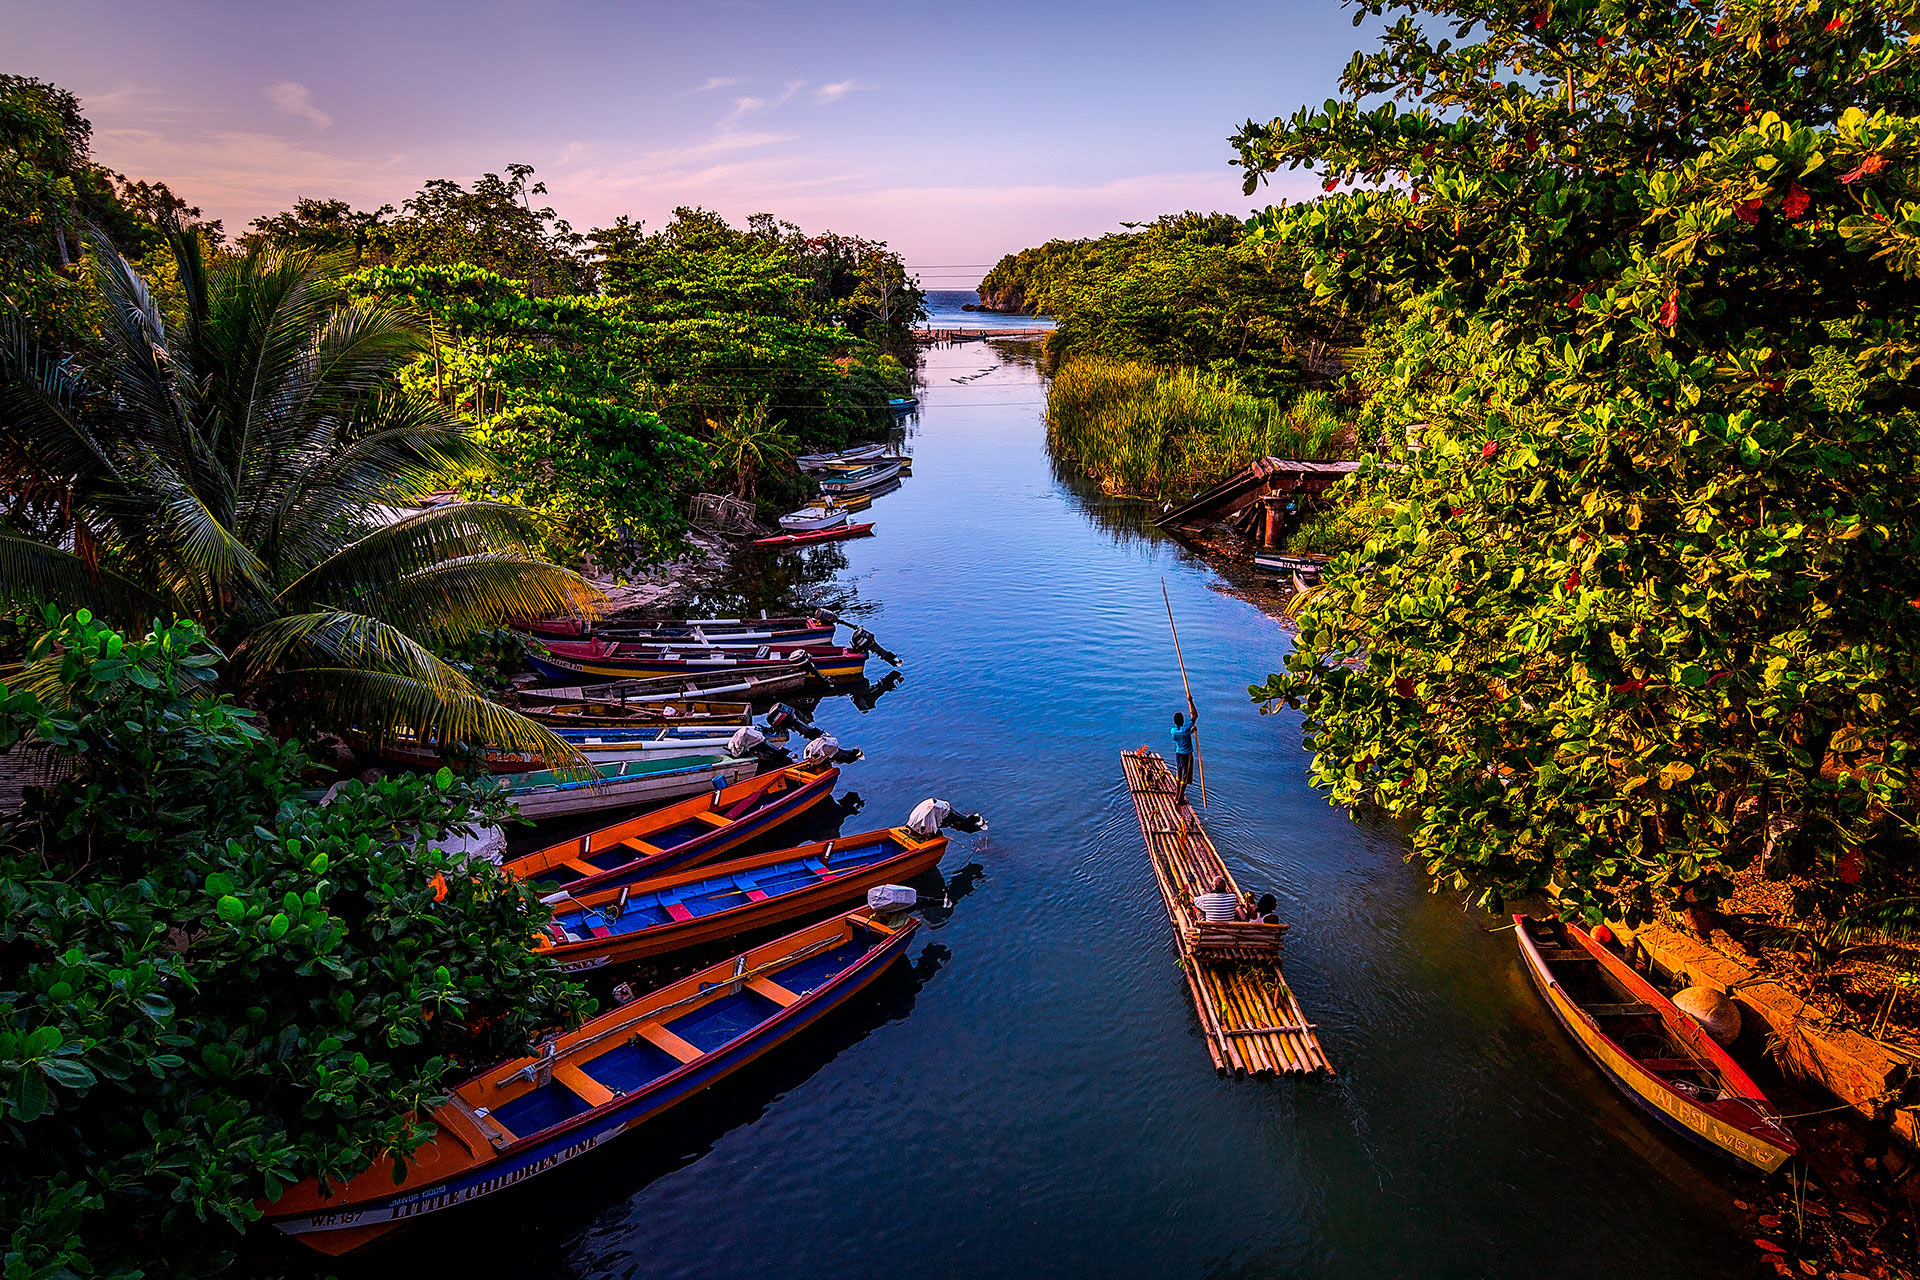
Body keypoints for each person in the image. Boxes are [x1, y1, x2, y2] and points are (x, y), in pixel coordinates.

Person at [906, 797, 988, 838]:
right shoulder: (919, 823)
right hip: (939, 808)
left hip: (940, 810)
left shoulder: (919, 824)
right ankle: (975, 822)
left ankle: (976, 822)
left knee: (963, 824)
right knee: (962, 823)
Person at [1170, 698, 1198, 806]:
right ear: (1182, 721)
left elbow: (1184, 735)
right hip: (1187, 755)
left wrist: (1191, 731)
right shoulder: (1185, 729)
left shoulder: (1173, 731)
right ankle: (1180, 798)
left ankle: (1177, 795)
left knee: (1179, 774)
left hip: (1178, 754)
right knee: (1185, 777)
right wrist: (1191, 702)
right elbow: (1195, 716)